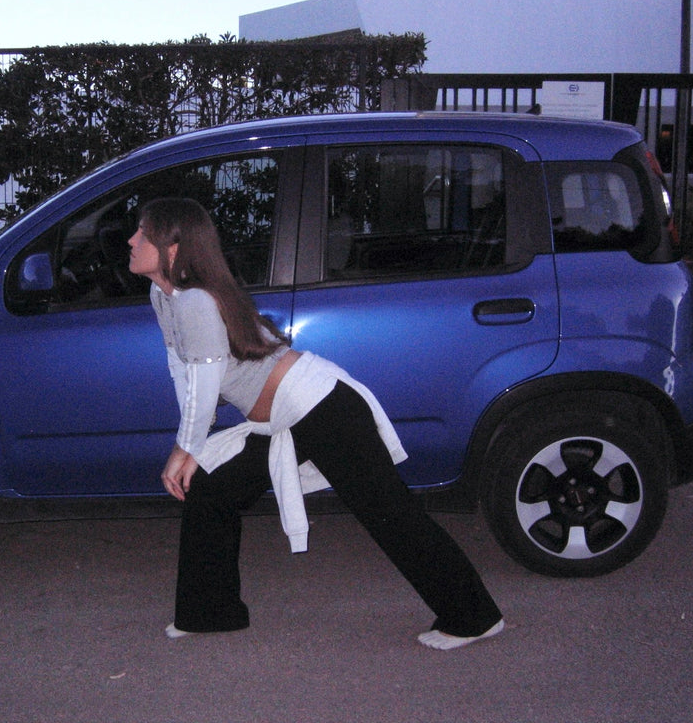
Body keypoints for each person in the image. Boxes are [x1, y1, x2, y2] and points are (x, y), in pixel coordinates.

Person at [127, 197, 504, 650]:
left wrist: (186, 447)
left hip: (321, 408)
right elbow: (182, 371)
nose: (131, 240)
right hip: (283, 420)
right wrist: (192, 446)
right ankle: (211, 612)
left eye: (142, 233)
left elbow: (205, 381)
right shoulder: (164, 297)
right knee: (211, 487)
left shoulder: (195, 301)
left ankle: (474, 617)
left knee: (391, 514)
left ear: (171, 248)